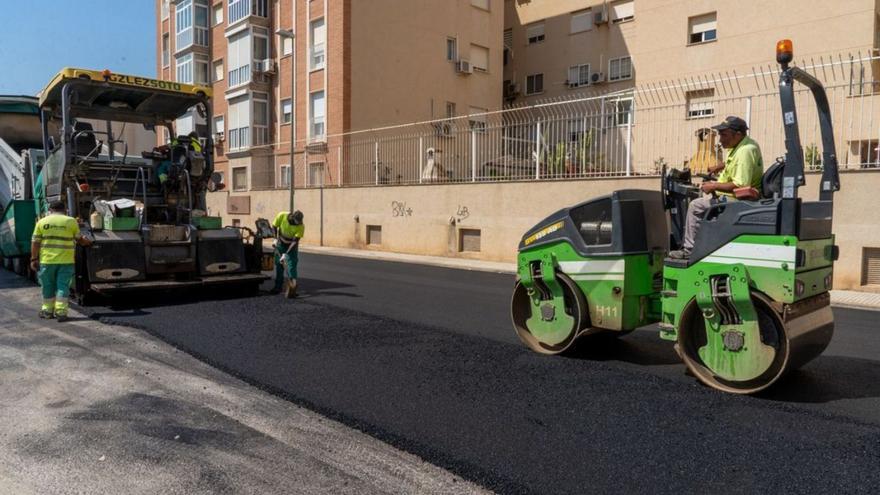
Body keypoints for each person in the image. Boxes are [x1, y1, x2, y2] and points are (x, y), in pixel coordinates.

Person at [669, 116, 763, 259]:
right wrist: (721, 166)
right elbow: (738, 163)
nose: (720, 139)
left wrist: (714, 186)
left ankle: (689, 251)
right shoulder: (744, 145)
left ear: (737, 134)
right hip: (735, 197)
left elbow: (741, 185)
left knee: (695, 206)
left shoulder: (745, 151)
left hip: (738, 200)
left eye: (724, 135)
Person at [30, 201, 93, 321]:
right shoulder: (71, 221)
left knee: (47, 286)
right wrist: (89, 242)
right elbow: (80, 240)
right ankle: (61, 312)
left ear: (50, 209)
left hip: (47, 262)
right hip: (66, 261)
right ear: (64, 209)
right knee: (62, 286)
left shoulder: (42, 222)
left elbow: (35, 242)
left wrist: (33, 258)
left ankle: (47, 311)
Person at [269, 210, 304, 297]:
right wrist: (275, 239)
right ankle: (278, 287)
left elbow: (295, 241)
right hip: (280, 243)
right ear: (292, 218)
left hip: (292, 246)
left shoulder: (301, 226)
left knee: (292, 264)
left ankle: (293, 287)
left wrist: (286, 254)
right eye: (297, 222)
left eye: (300, 222)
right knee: (279, 264)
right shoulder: (282, 215)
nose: (298, 224)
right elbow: (274, 226)